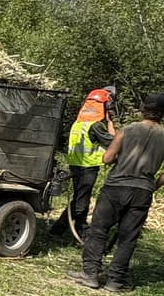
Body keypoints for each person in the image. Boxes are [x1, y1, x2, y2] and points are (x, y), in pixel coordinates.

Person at [67, 93, 164, 292]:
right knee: (128, 237)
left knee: (99, 230)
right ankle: (115, 281)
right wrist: (152, 185)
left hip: (116, 187)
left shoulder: (127, 130)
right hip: (142, 191)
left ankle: (91, 274)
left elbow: (107, 158)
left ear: (143, 108)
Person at [50, 87, 117, 239]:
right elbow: (114, 142)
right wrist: (110, 121)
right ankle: (64, 229)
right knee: (81, 201)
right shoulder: (95, 126)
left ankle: (77, 228)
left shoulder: (78, 123)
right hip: (88, 167)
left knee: (81, 198)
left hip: (76, 165)